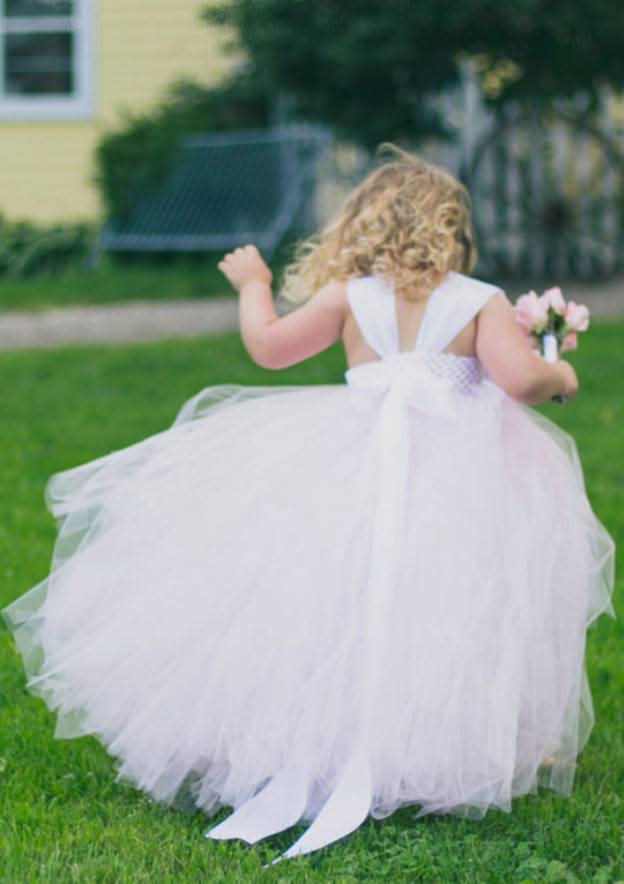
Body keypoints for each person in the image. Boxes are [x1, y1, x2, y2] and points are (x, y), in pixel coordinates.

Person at [3, 146, 615, 867]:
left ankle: (322, 735)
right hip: (459, 480)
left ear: (363, 223)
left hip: (351, 468)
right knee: (451, 606)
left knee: (334, 600)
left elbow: (267, 348)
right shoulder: (477, 299)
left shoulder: (348, 297)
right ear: (449, 227)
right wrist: (561, 371)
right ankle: (433, 747)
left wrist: (255, 284)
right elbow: (516, 380)